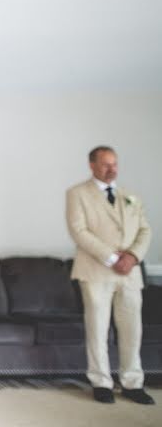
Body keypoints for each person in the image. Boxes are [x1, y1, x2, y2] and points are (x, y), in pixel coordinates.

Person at [66, 145, 154, 405]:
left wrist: (133, 256)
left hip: (130, 274)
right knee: (98, 328)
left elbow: (145, 231)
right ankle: (101, 382)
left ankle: (132, 383)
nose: (111, 169)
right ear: (92, 165)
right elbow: (79, 231)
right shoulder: (77, 194)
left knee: (132, 329)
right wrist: (113, 258)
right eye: (105, 164)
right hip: (95, 272)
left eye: (114, 164)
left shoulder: (130, 196)